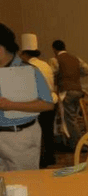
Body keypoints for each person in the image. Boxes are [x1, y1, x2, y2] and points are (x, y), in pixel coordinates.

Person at [0, 23, 54, 171]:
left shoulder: (28, 70)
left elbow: (48, 104)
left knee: (25, 186)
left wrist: (11, 105)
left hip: (20, 136)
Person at [20, 33, 58, 168]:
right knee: (48, 132)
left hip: (39, 103)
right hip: (52, 101)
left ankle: (41, 161)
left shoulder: (26, 67)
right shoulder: (46, 64)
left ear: (24, 54)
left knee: (38, 134)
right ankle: (50, 157)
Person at [49, 39, 88, 149]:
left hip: (66, 91)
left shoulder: (55, 60)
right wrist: (76, 76)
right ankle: (73, 142)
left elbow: (50, 74)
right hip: (78, 90)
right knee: (73, 118)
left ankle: (79, 145)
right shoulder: (75, 59)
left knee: (69, 119)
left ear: (54, 49)